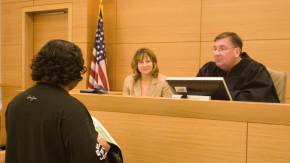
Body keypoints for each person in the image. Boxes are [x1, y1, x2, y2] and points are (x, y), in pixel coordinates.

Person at [5, 39, 110, 163]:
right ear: (74, 71)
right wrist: (103, 147)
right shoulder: (71, 108)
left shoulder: (16, 102)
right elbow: (90, 158)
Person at [197, 32, 280, 103]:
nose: (216, 53)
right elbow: (193, 93)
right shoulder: (208, 69)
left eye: (222, 49)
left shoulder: (255, 70)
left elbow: (256, 100)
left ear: (237, 52)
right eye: (215, 49)